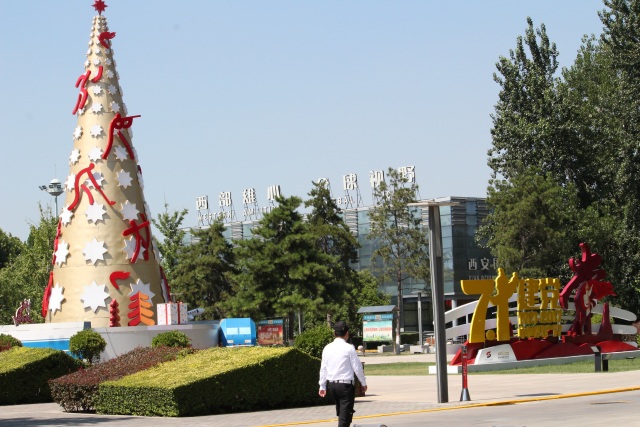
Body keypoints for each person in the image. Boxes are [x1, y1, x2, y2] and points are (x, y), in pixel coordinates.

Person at [318, 321, 367, 427]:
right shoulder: (349, 348)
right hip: (345, 386)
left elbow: (323, 368)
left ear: (334, 333)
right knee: (345, 418)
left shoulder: (327, 348)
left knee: (342, 414)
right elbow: (357, 367)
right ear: (347, 333)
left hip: (332, 386)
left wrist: (322, 386)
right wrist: (363, 382)